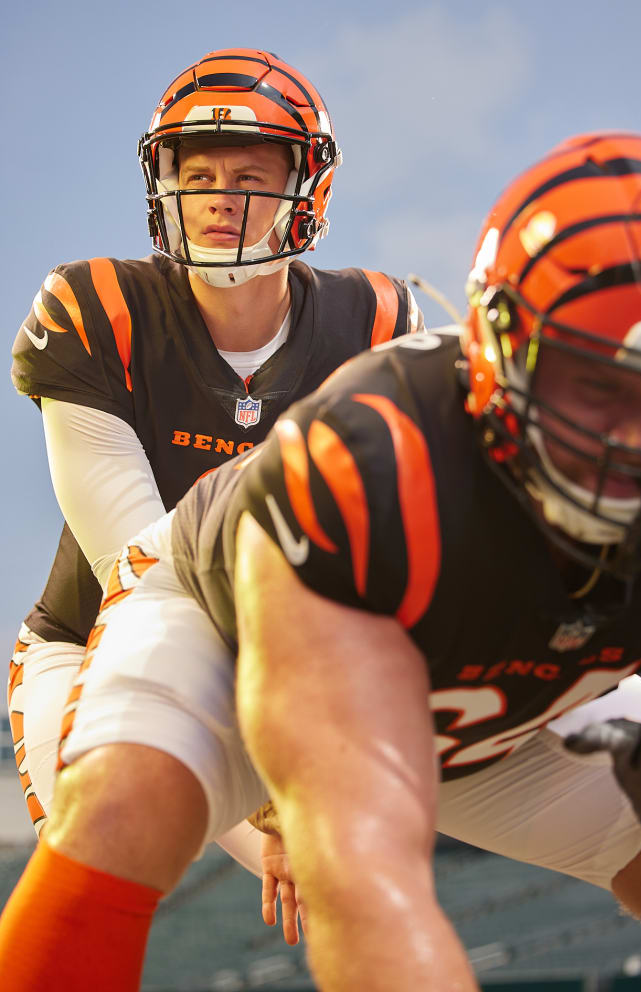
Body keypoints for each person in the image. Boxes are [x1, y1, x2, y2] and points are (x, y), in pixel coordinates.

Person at [1, 131, 641, 990]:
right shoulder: (378, 463)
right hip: (241, 630)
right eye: (597, 386)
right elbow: (360, 883)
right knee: (124, 813)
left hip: (501, 669)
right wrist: (288, 814)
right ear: (501, 348)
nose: (640, 445)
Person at [6, 46, 422, 864]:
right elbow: (144, 572)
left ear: (306, 189)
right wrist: (260, 813)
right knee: (93, 856)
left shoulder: (373, 325)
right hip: (98, 637)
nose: (218, 202)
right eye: (198, 177)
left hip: (298, 652)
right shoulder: (97, 310)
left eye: (250, 178)